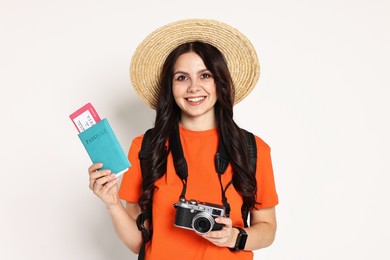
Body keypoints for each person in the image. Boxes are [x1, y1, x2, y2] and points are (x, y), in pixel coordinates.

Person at [88, 19, 278, 260]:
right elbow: (138, 243)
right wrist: (112, 204)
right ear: (170, 86)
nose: (193, 87)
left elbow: (268, 230)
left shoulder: (253, 149)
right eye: (181, 77)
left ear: (220, 82)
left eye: (205, 75)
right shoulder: (146, 147)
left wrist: (235, 237)